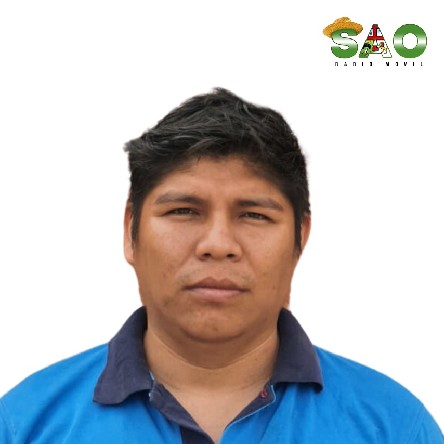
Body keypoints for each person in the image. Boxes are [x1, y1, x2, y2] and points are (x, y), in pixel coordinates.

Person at [0, 88, 442, 444]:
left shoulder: (394, 427)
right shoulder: (25, 424)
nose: (217, 245)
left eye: (254, 215)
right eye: (183, 211)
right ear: (130, 231)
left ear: (300, 239)